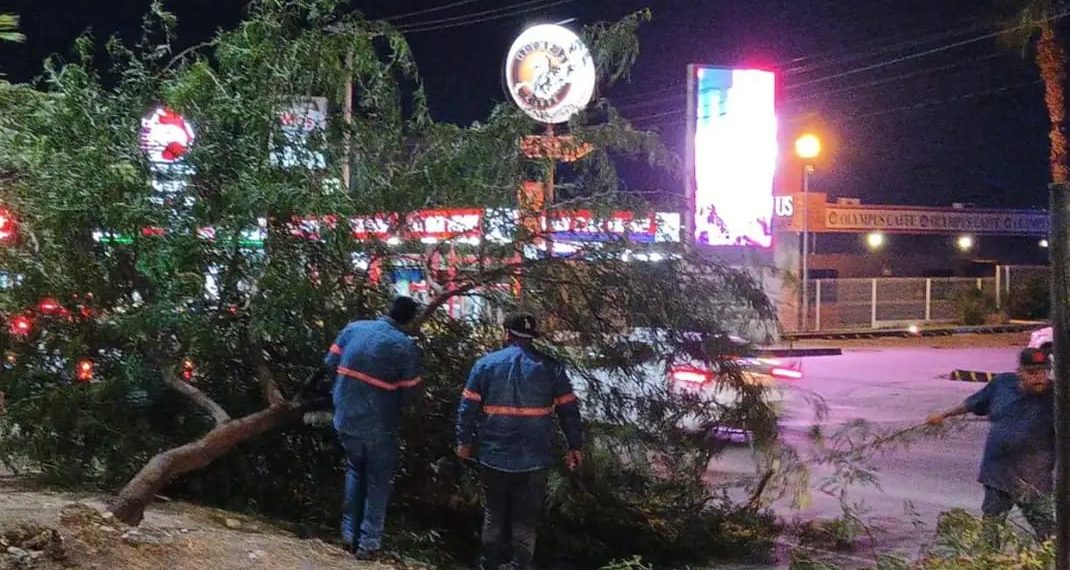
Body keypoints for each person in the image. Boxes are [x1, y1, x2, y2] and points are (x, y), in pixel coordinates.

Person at [456, 312, 584, 570]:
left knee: (494, 513)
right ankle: (520, 564)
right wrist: (575, 446)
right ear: (531, 337)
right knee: (525, 519)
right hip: (534, 458)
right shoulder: (552, 368)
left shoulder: (486, 365)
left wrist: (464, 442)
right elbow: (569, 411)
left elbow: (467, 409)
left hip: (495, 455)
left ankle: (489, 564)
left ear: (507, 334)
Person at [323, 296, 423, 560]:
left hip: (345, 418)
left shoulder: (354, 329)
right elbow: (411, 394)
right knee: (378, 482)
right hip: (379, 425)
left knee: (355, 471)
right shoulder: (404, 347)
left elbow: (329, 364)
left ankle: (347, 534)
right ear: (410, 320)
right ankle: (368, 544)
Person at [926, 346, 1054, 541]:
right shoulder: (1002, 384)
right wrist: (943, 414)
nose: (1039, 377)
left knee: (1048, 535)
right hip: (998, 475)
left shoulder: (1056, 395)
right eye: (1032, 372)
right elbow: (973, 403)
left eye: (1044, 371)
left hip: (1034, 479)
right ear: (1020, 372)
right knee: (990, 531)